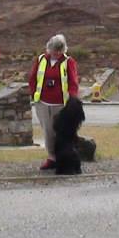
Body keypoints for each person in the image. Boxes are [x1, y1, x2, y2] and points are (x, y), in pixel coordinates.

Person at [28, 34, 80, 171]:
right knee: (48, 132)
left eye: (59, 50)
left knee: (62, 133)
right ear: (49, 48)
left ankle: (64, 158)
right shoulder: (40, 60)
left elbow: (73, 82)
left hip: (61, 104)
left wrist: (72, 100)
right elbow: (33, 78)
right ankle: (52, 157)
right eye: (54, 50)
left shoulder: (69, 62)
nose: (56, 53)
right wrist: (33, 93)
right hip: (43, 103)